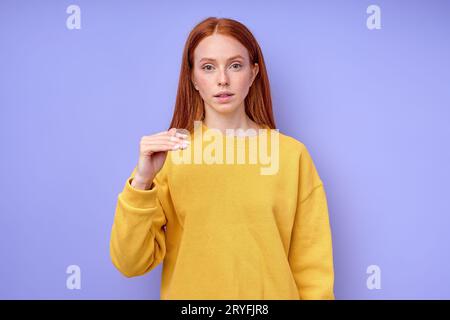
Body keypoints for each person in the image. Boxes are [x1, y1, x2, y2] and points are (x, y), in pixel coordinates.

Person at [109, 17, 335, 300]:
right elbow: (130, 263)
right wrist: (142, 181)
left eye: (235, 65)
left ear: (253, 73)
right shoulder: (170, 155)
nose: (223, 79)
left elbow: (312, 269)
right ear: (192, 77)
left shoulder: (292, 156)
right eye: (208, 67)